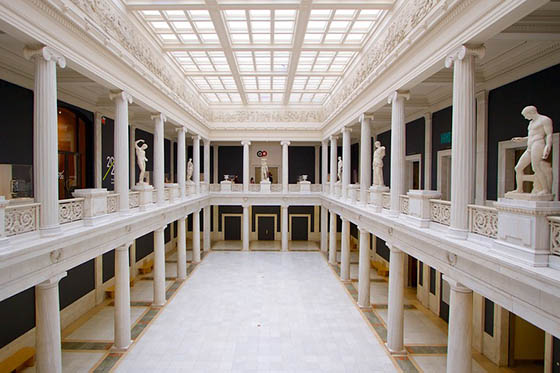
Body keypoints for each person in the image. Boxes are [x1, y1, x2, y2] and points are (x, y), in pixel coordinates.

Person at [511, 105, 553, 195]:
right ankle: (519, 189)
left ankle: (545, 190)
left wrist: (548, 146)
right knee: (518, 168)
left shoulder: (544, 120)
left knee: (536, 167)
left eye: (526, 115)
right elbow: (531, 135)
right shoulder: (531, 123)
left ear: (531, 112)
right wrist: (522, 139)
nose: (526, 118)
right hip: (529, 147)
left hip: (538, 144)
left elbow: (549, 134)